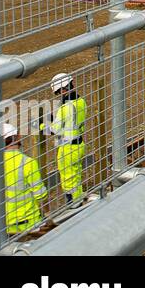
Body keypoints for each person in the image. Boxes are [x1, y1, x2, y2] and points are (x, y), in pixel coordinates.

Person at [44, 73, 87, 204]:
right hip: (79, 144)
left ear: (63, 89)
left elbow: (54, 130)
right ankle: (79, 200)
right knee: (76, 176)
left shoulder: (65, 107)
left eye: (58, 92)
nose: (59, 95)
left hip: (67, 148)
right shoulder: (81, 101)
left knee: (68, 180)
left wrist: (40, 125)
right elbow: (69, 122)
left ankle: (74, 204)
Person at [2, 122, 46, 234]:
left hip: (5, 226)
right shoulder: (28, 163)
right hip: (30, 222)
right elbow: (40, 195)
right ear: (18, 137)